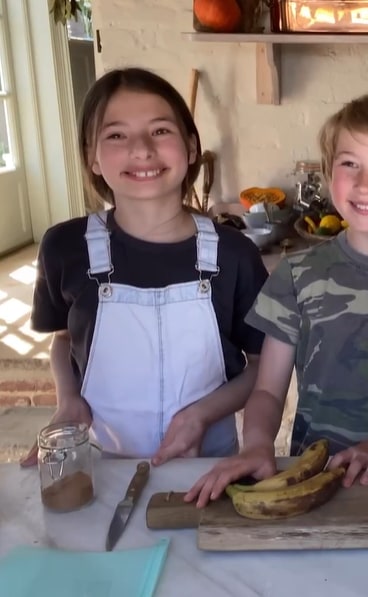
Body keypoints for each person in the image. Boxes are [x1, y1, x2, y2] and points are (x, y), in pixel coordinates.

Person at [186, 90, 368, 507]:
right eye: (349, 164)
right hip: (314, 479)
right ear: (328, 174)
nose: (365, 183)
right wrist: (255, 444)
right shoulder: (296, 275)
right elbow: (268, 392)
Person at [20, 67, 268, 466]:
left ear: (190, 148)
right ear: (92, 156)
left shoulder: (234, 254)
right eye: (116, 135)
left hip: (205, 467)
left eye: (160, 131)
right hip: (99, 464)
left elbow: (260, 366)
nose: (141, 149)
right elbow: (65, 339)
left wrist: (199, 415)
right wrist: (68, 400)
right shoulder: (64, 247)